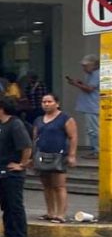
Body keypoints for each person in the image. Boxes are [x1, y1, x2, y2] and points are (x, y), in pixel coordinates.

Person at [0, 97, 33, 237]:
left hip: (12, 173)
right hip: (0, 169)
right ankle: (9, 236)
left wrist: (21, 164)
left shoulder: (15, 124)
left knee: (15, 205)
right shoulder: (1, 125)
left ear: (1, 109)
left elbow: (27, 146)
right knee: (5, 205)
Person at [33, 94, 77, 223]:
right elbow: (35, 138)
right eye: (44, 102)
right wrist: (32, 156)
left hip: (59, 155)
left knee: (59, 185)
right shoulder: (39, 119)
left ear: (57, 103)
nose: (46, 104)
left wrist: (72, 155)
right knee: (46, 185)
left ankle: (61, 214)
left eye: (49, 101)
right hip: (42, 155)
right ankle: (50, 212)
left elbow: (73, 137)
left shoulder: (65, 118)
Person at [67, 54, 100, 159]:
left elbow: (89, 89)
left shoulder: (96, 74)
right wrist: (81, 83)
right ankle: (95, 149)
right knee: (92, 129)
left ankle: (97, 151)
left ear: (94, 65)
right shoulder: (90, 75)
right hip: (90, 105)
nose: (84, 68)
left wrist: (76, 84)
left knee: (93, 130)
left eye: (86, 66)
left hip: (93, 106)